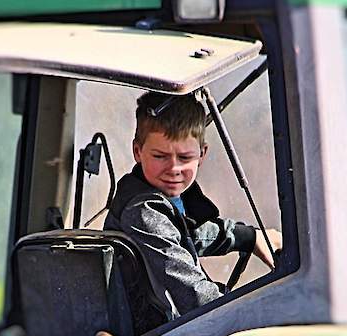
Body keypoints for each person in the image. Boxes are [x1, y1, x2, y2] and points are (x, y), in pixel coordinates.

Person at [105, 92, 282, 316]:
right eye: (160, 156)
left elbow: (189, 234)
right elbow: (191, 290)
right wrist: (247, 315)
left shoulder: (165, 198)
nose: (173, 168)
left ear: (202, 154)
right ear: (138, 152)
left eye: (185, 158)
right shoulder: (142, 210)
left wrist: (249, 236)